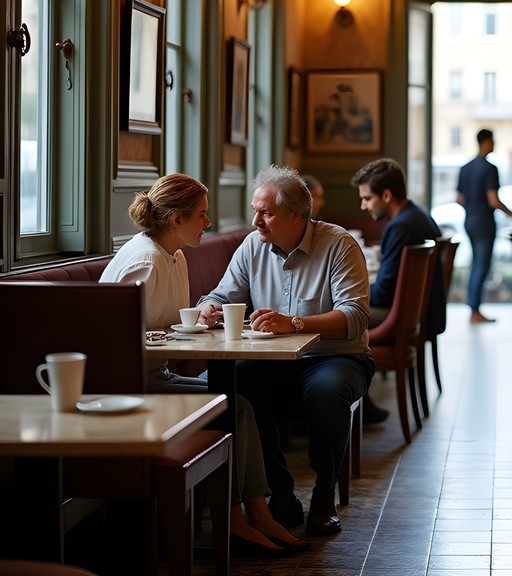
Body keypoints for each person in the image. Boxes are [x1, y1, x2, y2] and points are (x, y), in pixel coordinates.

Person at [99, 174, 308, 557]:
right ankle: (240, 522)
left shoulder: (173, 254)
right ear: (176, 220)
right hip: (128, 387)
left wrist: (197, 319)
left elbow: (160, 325)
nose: (208, 223)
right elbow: (115, 343)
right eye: (202, 214)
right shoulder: (146, 260)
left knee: (238, 403)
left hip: (155, 375)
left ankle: (252, 516)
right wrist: (183, 332)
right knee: (236, 406)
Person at [197, 165, 373, 538]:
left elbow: (355, 316)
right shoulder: (252, 246)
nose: (256, 221)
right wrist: (208, 308)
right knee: (235, 384)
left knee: (327, 393)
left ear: (297, 215)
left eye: (267, 213)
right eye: (255, 210)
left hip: (335, 357)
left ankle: (324, 497)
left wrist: (294, 323)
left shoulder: (339, 244)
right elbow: (219, 295)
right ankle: (280, 494)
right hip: (271, 362)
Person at [350, 158, 446, 423]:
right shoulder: (418, 215)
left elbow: (382, 294)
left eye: (367, 198)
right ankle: (357, 402)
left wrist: (348, 292)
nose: (363, 205)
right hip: (418, 314)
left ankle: (335, 406)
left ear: (387, 195)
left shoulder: (402, 225)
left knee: (340, 320)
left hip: (402, 317)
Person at [457, 128, 512, 324]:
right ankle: (475, 310)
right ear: (487, 142)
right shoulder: (489, 169)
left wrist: (473, 206)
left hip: (469, 220)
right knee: (481, 265)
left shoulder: (465, 168)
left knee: (475, 264)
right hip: (484, 223)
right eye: (493, 140)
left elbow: (459, 198)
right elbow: (493, 201)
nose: (494, 144)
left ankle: (473, 307)